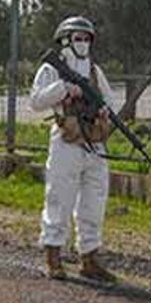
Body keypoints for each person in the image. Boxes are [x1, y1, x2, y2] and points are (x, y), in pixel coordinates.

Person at [30, 16, 117, 283]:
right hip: (66, 140)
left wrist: (102, 109)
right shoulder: (52, 68)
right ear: (66, 40)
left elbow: (109, 100)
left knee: (95, 197)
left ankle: (89, 256)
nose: (83, 43)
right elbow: (36, 100)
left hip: (93, 141)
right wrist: (64, 89)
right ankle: (53, 254)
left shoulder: (94, 70)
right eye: (78, 37)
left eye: (87, 38)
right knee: (59, 196)